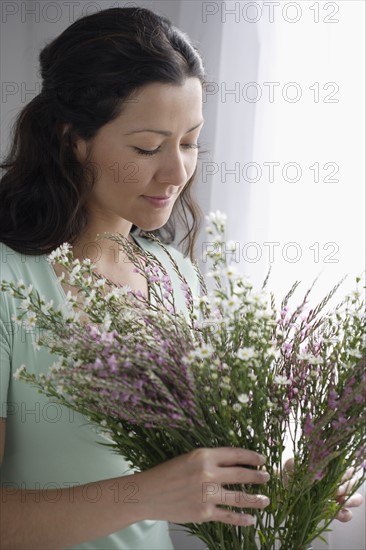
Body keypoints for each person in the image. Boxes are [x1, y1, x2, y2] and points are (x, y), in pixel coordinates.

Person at [0, 6, 362, 550]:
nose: (176, 173)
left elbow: (188, 478)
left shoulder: (175, 276)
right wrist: (148, 494)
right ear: (73, 138)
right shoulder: (11, 286)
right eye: (147, 147)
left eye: (189, 142)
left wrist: (286, 486)